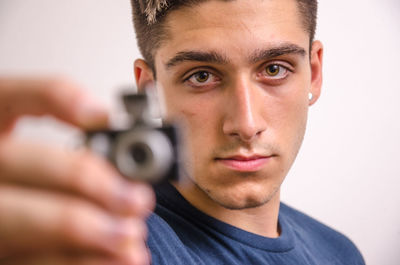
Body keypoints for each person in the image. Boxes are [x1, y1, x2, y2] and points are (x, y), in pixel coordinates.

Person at [0, 0, 365, 264]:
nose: (246, 124)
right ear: (150, 89)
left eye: (274, 69)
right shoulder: (113, 242)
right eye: (201, 76)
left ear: (313, 73)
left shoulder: (340, 253)